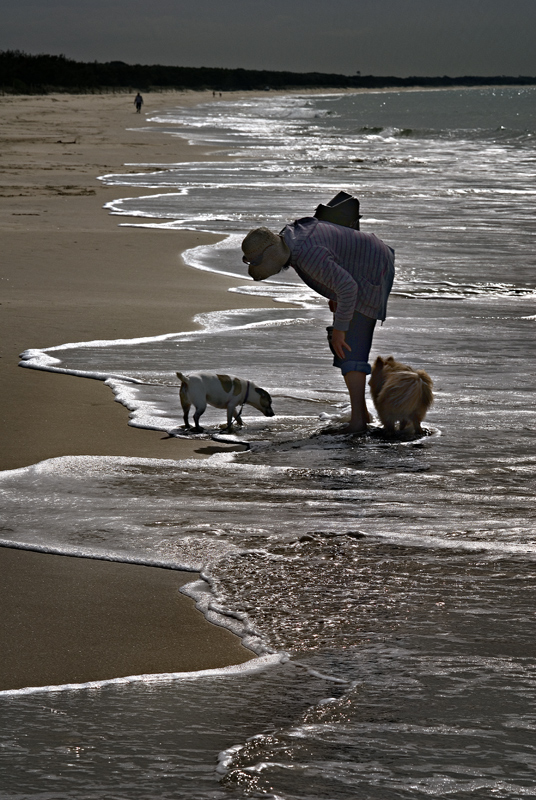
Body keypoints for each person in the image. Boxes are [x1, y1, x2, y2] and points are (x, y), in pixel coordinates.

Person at [241, 217, 395, 433]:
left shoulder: (308, 255)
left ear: (270, 253)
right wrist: (334, 293)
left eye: (256, 263)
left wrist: (340, 329)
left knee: (349, 350)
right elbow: (335, 262)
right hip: (364, 260)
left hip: (372, 267)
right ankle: (363, 414)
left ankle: (359, 422)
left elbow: (349, 287)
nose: (256, 271)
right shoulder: (291, 237)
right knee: (344, 347)